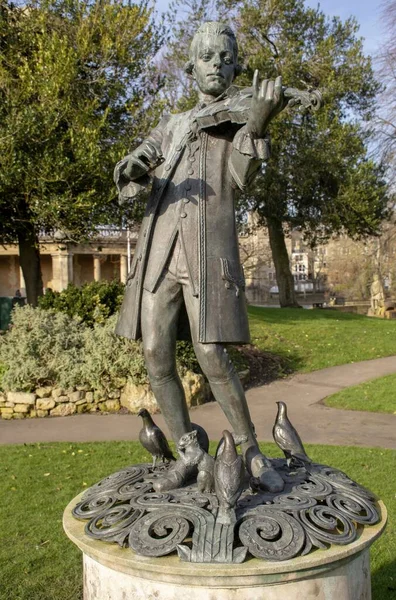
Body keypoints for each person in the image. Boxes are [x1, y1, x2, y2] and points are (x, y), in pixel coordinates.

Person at [114, 22, 288, 493]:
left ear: (234, 67)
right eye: (206, 56)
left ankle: (250, 451)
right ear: (191, 68)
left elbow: (239, 176)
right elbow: (134, 165)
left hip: (205, 255)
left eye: (224, 57)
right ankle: (190, 450)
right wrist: (130, 166)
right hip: (159, 251)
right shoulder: (171, 124)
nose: (215, 64)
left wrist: (257, 122)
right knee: (155, 353)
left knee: (211, 356)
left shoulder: (235, 120)